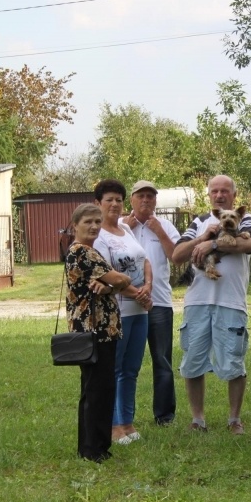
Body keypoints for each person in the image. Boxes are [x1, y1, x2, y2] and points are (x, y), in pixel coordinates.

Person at [171, 175, 251, 434]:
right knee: (193, 362)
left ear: (233, 194)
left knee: (233, 362)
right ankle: (198, 419)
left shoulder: (246, 218)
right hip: (197, 301)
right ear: (209, 195)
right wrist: (202, 239)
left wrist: (213, 243)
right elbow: (177, 255)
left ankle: (234, 419)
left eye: (225, 191)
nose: (219, 195)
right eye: (215, 191)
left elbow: (250, 243)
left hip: (231, 301)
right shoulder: (198, 221)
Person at [65, 203, 130, 463]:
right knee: (98, 391)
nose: (93, 226)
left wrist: (108, 286)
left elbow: (114, 284)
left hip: (97, 330)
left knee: (94, 390)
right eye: (87, 222)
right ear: (75, 226)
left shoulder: (85, 252)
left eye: (97, 221)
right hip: (96, 331)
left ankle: (92, 447)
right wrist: (114, 282)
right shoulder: (83, 253)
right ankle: (94, 450)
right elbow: (123, 280)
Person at [93, 179, 153, 445]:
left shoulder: (126, 229)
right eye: (109, 200)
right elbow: (108, 277)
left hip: (140, 311)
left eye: (118, 199)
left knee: (131, 369)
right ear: (98, 204)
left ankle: (128, 423)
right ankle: (115, 426)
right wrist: (137, 294)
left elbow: (145, 260)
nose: (115, 204)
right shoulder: (98, 237)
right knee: (114, 370)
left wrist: (148, 287)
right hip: (116, 312)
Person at [123, 180, 181, 426]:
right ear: (132, 200)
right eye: (140, 196)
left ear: (156, 201)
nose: (146, 200)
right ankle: (124, 416)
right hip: (127, 303)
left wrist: (159, 231)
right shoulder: (121, 227)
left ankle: (164, 416)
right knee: (126, 363)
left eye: (150, 196)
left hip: (159, 303)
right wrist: (126, 225)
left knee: (162, 360)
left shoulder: (166, 225)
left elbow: (177, 258)